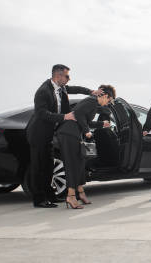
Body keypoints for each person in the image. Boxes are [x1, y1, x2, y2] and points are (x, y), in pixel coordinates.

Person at [26, 64, 102, 208]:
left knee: (48, 167)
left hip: (49, 134)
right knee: (38, 167)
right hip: (38, 134)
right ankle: (39, 199)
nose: (69, 78)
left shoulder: (62, 88)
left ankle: (50, 195)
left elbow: (77, 89)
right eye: (67, 76)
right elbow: (42, 114)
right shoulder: (43, 91)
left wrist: (91, 91)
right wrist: (65, 117)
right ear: (58, 75)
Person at [57, 85, 115, 208]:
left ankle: (80, 192)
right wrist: (86, 130)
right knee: (72, 164)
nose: (108, 103)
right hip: (68, 133)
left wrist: (101, 124)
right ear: (105, 96)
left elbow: (85, 119)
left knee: (80, 163)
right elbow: (78, 114)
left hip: (73, 133)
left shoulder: (93, 104)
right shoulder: (91, 101)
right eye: (109, 100)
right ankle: (71, 197)